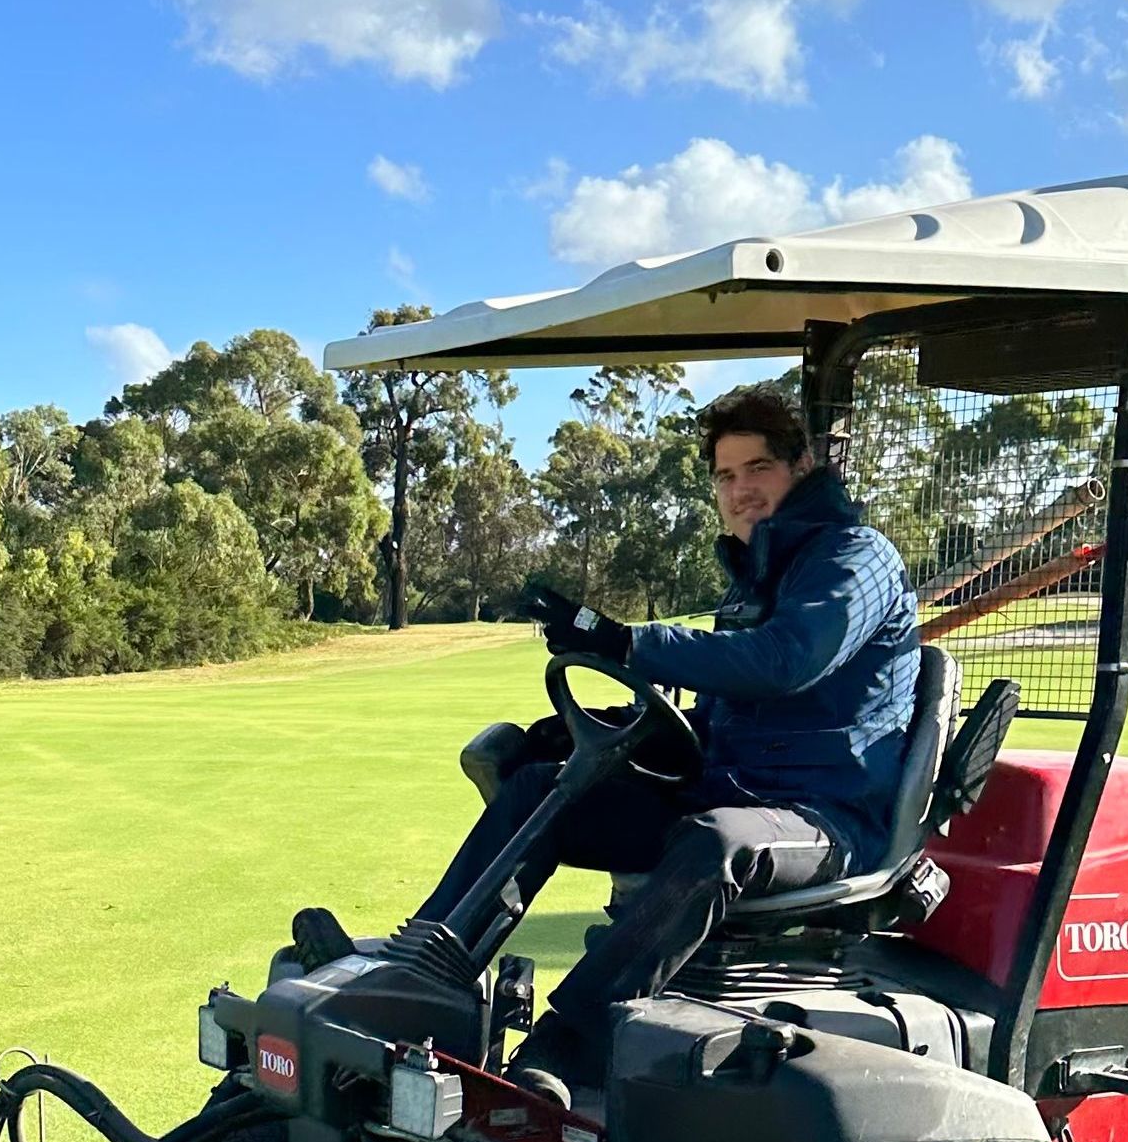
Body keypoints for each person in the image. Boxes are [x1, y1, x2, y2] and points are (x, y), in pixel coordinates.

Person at [298, 386, 919, 1102]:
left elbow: (785, 660)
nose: (741, 490)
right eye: (725, 475)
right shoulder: (757, 578)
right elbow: (721, 714)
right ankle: (419, 972)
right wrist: (608, 724)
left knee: (717, 843)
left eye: (759, 469)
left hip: (826, 819)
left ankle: (573, 1040)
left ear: (802, 465)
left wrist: (629, 641)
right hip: (731, 795)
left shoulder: (856, 558)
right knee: (545, 787)